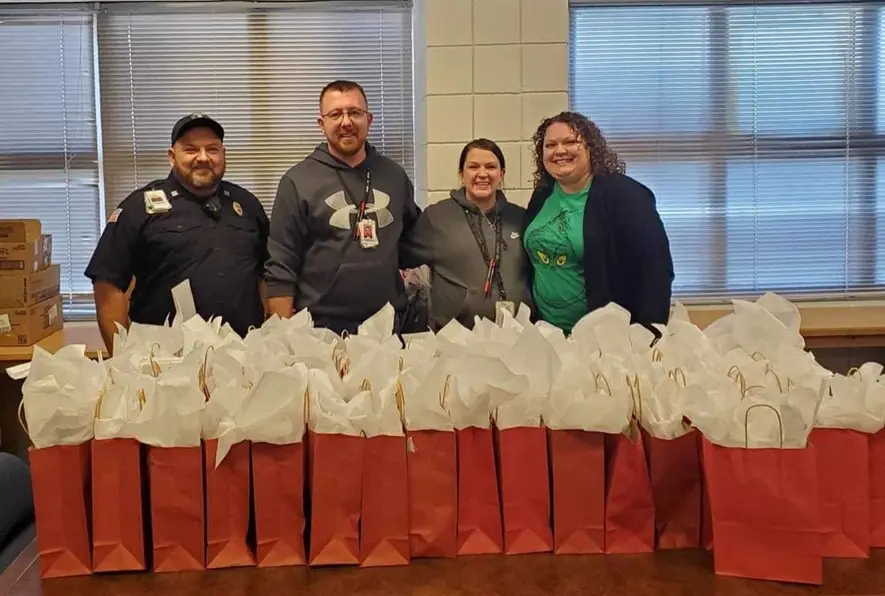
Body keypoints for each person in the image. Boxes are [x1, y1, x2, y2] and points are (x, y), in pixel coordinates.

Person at [85, 113, 269, 352]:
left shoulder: (247, 205)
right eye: (191, 150)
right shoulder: (139, 207)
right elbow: (108, 284)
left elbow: (269, 275)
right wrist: (122, 359)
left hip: (242, 354)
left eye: (212, 149)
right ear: (172, 157)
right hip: (165, 360)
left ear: (223, 154)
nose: (203, 158)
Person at [264, 80, 420, 334]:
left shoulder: (394, 175)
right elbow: (281, 266)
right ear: (321, 124)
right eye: (335, 114)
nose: (346, 122)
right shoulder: (297, 181)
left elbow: (414, 242)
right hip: (320, 329)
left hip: (388, 326)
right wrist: (284, 339)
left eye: (355, 113)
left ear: (369, 119)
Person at [523, 111, 673, 335]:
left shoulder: (627, 197)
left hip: (606, 339)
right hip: (546, 334)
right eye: (550, 145)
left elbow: (656, 272)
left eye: (571, 142)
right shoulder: (543, 194)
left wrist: (649, 336)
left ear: (591, 147)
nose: (560, 150)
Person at [402, 139, 531, 330]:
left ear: (501, 174)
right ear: (461, 174)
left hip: (515, 333)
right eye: (473, 167)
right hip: (454, 335)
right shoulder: (436, 217)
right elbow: (400, 256)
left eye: (490, 167)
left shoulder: (520, 218)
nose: (482, 174)